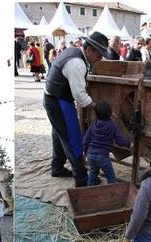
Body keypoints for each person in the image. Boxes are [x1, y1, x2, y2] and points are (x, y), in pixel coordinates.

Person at [43, 31, 109, 187]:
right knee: (72, 138)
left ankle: (57, 167)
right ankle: (81, 178)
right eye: (99, 55)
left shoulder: (75, 53)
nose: (99, 59)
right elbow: (79, 96)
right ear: (89, 50)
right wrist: (95, 105)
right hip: (59, 101)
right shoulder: (77, 63)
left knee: (58, 135)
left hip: (53, 97)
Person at [83, 102, 131, 185]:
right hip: (102, 156)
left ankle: (90, 189)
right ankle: (111, 192)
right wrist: (129, 144)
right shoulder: (112, 126)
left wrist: (85, 151)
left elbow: (85, 140)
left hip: (90, 154)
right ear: (110, 113)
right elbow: (120, 141)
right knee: (111, 176)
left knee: (93, 172)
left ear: (96, 114)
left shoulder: (94, 124)